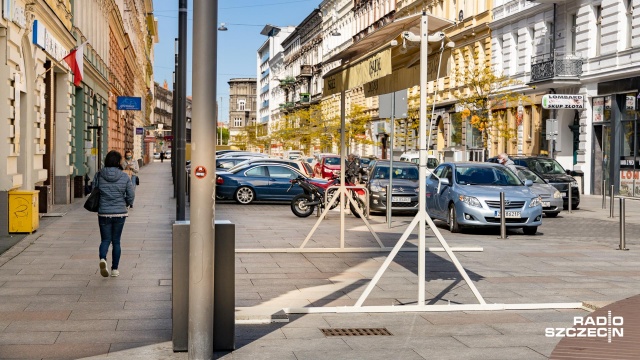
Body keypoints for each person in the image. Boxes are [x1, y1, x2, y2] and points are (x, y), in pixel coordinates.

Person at [95, 150, 135, 278]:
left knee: (105, 239)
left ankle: (102, 259)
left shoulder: (99, 175)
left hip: (104, 213)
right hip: (119, 213)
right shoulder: (124, 176)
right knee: (116, 241)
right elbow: (131, 194)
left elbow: (93, 191)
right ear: (118, 162)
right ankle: (115, 269)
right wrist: (128, 203)